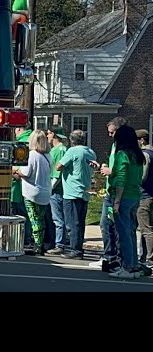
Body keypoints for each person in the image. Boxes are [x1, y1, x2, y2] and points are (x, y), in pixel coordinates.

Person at [104, 125, 145, 279]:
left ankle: (127, 267)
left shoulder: (122, 154)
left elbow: (121, 178)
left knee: (124, 234)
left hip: (124, 196)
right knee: (131, 232)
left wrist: (116, 201)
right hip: (135, 195)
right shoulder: (137, 155)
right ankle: (134, 266)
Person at [89, 116, 126, 272]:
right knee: (105, 225)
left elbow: (125, 172)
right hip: (110, 192)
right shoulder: (114, 147)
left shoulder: (125, 148)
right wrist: (104, 167)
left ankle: (117, 258)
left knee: (116, 227)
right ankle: (109, 256)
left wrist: (111, 171)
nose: (110, 136)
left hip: (119, 193)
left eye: (112, 132)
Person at [56, 129, 97, 259]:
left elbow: (59, 166)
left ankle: (75, 250)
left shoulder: (72, 151)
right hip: (84, 191)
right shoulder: (91, 152)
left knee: (71, 223)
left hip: (71, 191)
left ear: (71, 140)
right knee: (80, 222)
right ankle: (78, 248)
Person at [12, 129, 52, 256]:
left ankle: (37, 245)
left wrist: (15, 171)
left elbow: (26, 173)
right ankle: (39, 243)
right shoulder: (48, 155)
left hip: (31, 191)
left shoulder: (32, 155)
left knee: (33, 219)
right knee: (40, 219)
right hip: (45, 191)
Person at [45, 125, 69, 255]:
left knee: (58, 218)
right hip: (55, 190)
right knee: (54, 218)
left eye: (48, 133)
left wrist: (49, 189)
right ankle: (55, 241)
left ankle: (59, 244)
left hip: (56, 191)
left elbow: (56, 174)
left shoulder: (59, 150)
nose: (47, 136)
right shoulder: (58, 149)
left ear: (53, 134)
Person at [11, 125, 33, 248]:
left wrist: (11, 171)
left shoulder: (21, 143)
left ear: (19, 129)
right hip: (31, 185)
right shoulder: (33, 140)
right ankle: (27, 239)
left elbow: (18, 167)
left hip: (17, 186)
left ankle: (22, 240)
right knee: (28, 215)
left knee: (19, 215)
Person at [136, 129, 153, 266]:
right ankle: (143, 256)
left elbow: (142, 176)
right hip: (150, 195)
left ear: (142, 140)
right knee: (145, 228)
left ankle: (149, 258)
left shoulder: (145, 155)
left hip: (144, 195)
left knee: (146, 229)